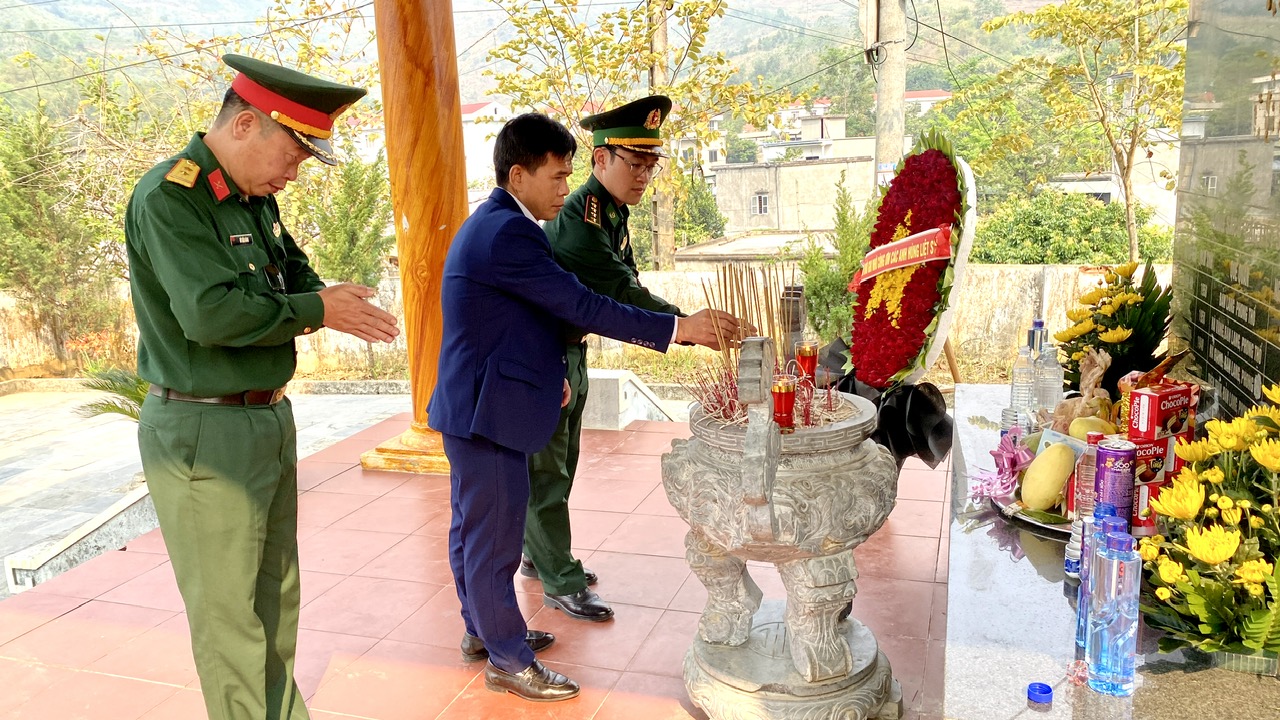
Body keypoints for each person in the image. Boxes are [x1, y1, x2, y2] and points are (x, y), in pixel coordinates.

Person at [427, 113, 740, 702]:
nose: (565, 189)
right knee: (493, 541)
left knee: (472, 530)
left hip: (477, 401)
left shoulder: (498, 223)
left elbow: (526, 315)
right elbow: (582, 304)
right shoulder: (510, 233)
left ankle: (483, 631)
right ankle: (508, 659)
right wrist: (679, 328)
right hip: (486, 413)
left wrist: (550, 374)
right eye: (556, 176)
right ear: (518, 176)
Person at [124, 54, 399, 720]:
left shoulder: (253, 197)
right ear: (246, 124)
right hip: (204, 429)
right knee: (229, 619)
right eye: (293, 154)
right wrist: (316, 310)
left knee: (275, 598)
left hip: (266, 419)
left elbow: (295, 274)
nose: (294, 172)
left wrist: (326, 298)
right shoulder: (172, 197)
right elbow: (210, 314)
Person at [522, 95, 711, 621]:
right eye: (635, 162)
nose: (645, 175)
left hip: (571, 348)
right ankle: (559, 580)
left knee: (562, 463)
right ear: (601, 159)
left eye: (652, 164)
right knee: (547, 472)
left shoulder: (610, 212)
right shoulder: (580, 222)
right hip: (546, 355)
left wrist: (682, 324)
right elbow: (620, 294)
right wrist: (686, 328)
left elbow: (626, 281)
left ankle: (539, 554)